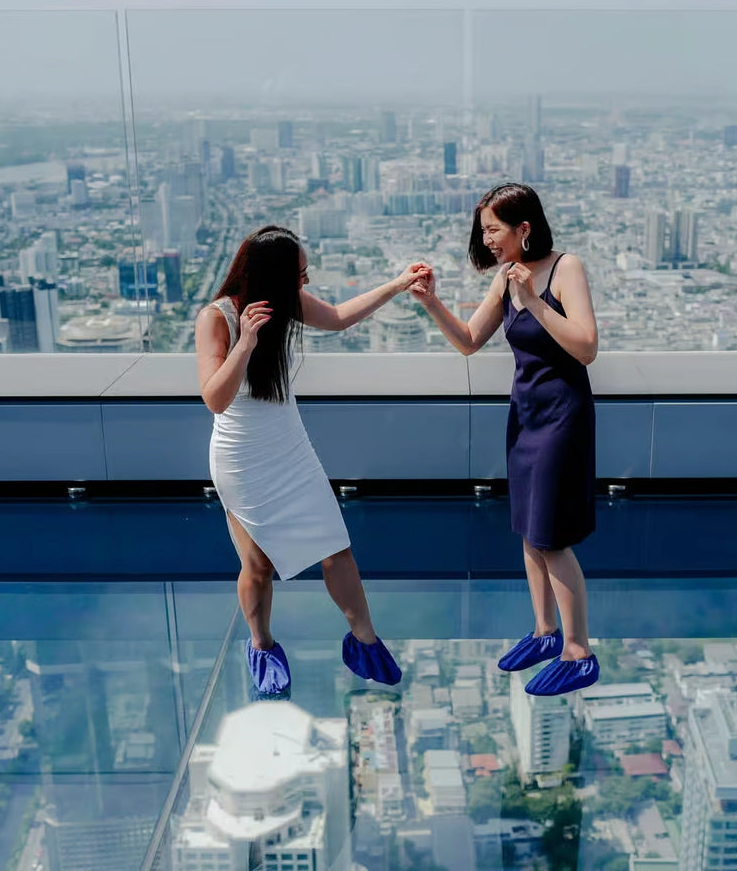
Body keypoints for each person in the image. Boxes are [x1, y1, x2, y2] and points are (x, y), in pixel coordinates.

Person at [196, 225, 430, 696]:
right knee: (257, 565)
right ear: (270, 276)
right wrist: (245, 343)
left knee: (335, 549)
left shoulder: (287, 303)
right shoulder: (216, 317)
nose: (304, 283)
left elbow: (341, 317)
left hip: (289, 450)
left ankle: (365, 641)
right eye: (298, 275)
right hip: (241, 459)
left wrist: (397, 283)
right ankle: (262, 646)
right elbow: (215, 398)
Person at [410, 183, 600, 696]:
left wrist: (533, 302)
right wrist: (431, 303)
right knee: (528, 528)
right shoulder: (504, 278)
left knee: (550, 535)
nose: (487, 239)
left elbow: (586, 348)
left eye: (493, 229)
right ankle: (544, 631)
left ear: (524, 227)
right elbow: (469, 341)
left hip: (563, 416)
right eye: (484, 230)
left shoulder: (566, 269)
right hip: (525, 415)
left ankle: (578, 652)